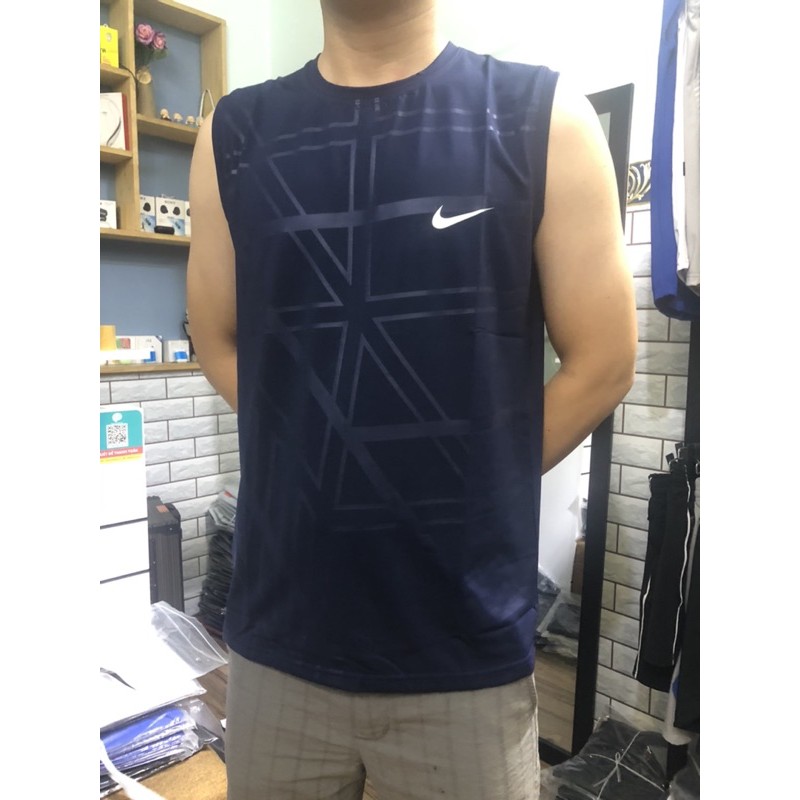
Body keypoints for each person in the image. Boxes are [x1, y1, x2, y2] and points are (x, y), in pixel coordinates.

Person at [187, 1, 637, 797]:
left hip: (461, 654)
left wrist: (472, 481)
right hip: (280, 639)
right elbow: (217, 339)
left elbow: (604, 361)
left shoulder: (544, 117)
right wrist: (313, 453)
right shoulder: (233, 134)